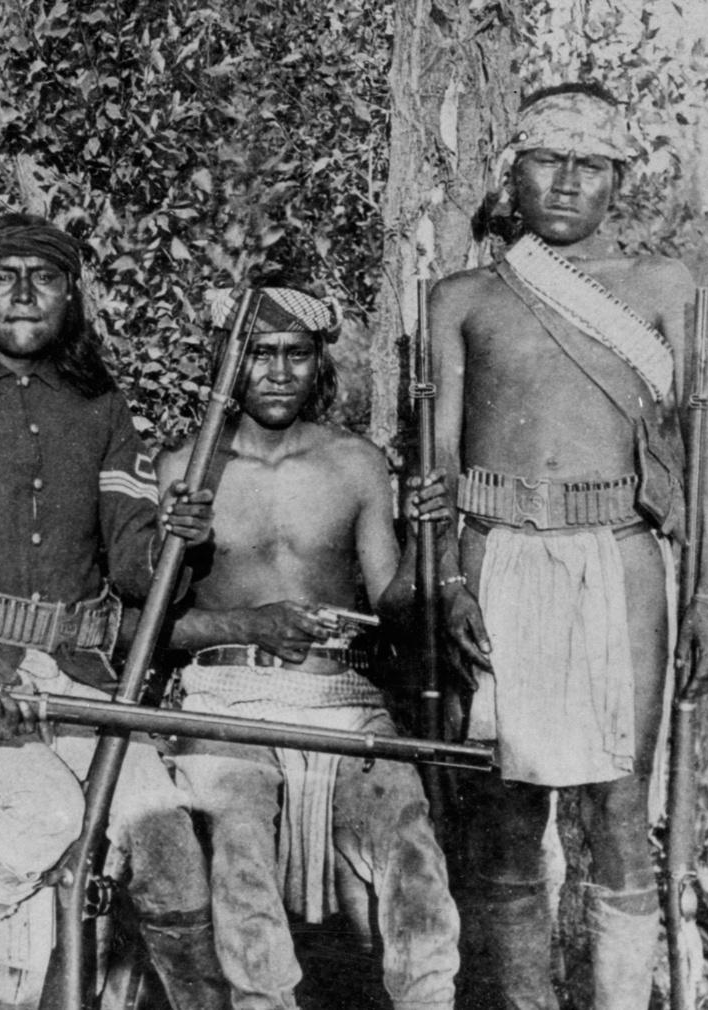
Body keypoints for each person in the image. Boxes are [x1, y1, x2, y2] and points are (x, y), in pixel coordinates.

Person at [0, 212, 226, 1007]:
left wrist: (174, 546)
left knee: (164, 836)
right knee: (45, 812)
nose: (24, 295)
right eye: (2, 276)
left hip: (81, 680)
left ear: (71, 296)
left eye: (45, 277)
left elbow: (133, 563)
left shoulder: (101, 405)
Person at [427, 83, 708, 1010]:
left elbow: (706, 450)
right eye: (545, 161)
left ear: (619, 179)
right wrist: (443, 578)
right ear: (512, 170)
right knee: (506, 817)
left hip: (620, 559)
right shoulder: (463, 297)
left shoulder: (664, 287)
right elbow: (434, 462)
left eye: (589, 164)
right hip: (497, 554)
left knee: (616, 809)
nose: (565, 183)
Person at [160, 287, 462, 1010]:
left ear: (319, 363)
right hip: (224, 699)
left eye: (296, 354)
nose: (277, 372)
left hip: (343, 698)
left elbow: (393, 606)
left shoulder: (355, 464)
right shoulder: (184, 471)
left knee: (409, 839)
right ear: (228, 363)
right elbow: (156, 625)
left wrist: (427, 542)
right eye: (259, 354)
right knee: (237, 845)